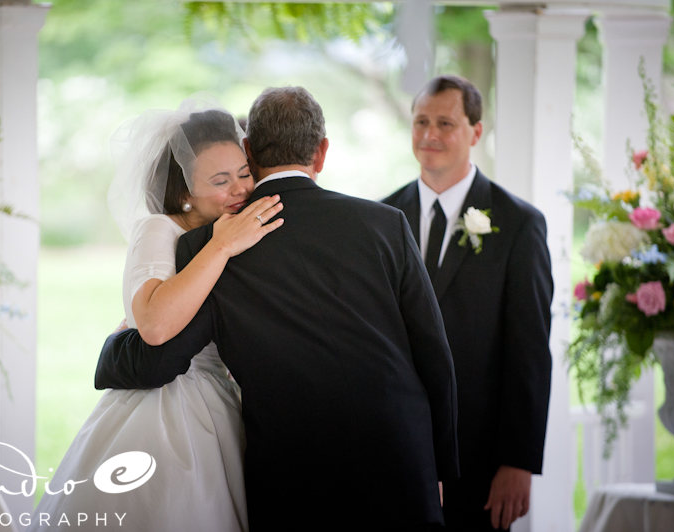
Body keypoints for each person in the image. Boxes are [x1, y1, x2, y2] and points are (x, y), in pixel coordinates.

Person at [95, 86, 459, 531]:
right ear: (321, 152)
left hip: (295, 475)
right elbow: (434, 355)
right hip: (400, 459)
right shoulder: (385, 224)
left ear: (248, 149)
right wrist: (439, 467)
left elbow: (160, 357)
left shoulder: (217, 242)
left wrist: (113, 351)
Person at [30, 104, 284, 532]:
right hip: (168, 408)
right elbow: (153, 325)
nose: (239, 189)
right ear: (184, 190)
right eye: (220, 181)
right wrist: (220, 247)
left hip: (226, 401)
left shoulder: (241, 226)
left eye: (244, 172)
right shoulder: (160, 230)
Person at [382, 75, 553, 531]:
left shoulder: (519, 224)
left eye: (445, 123)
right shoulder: (381, 218)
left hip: (478, 455)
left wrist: (518, 461)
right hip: (394, 447)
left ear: (476, 132)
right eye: (421, 121)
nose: (429, 135)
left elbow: (530, 349)